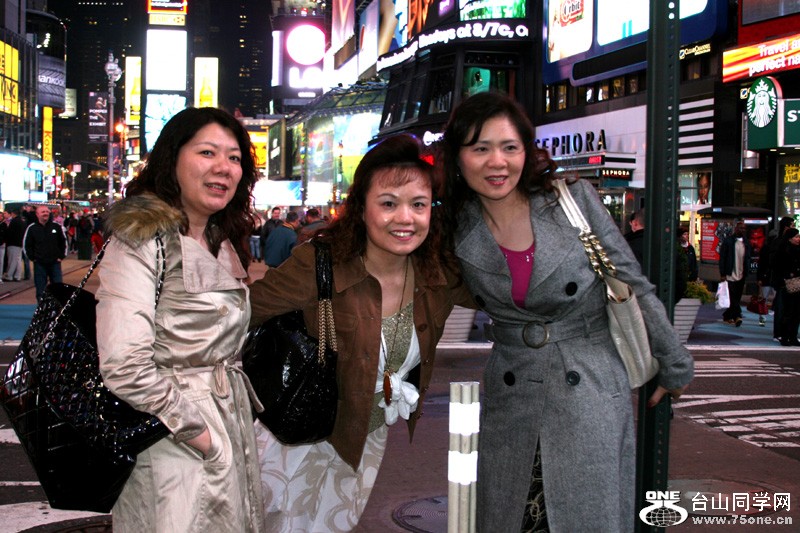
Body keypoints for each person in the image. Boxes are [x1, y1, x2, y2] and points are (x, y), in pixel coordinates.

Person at [439, 91, 693, 532]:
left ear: (527, 151)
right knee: (512, 516)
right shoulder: (454, 225)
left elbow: (629, 280)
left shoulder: (570, 199)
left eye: (510, 147)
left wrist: (674, 363)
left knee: (584, 515)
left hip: (588, 384)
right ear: (458, 158)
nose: (497, 162)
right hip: (511, 395)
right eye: (480, 148)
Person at [248, 134, 473, 532]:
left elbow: (513, 295)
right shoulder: (321, 262)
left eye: (418, 205)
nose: (405, 218)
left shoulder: (438, 274)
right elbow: (240, 314)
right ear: (362, 208)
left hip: (362, 445)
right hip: (292, 441)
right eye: (388, 203)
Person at [95, 107, 265, 532]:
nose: (223, 167)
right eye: (207, 152)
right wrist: (199, 433)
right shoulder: (142, 237)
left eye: (234, 158)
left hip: (226, 422)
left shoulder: (218, 238)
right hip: (171, 435)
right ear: (172, 159)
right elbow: (124, 364)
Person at [23, 205, 66, 302]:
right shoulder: (32, 228)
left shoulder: (56, 227)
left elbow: (63, 242)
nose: (45, 214)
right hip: (39, 264)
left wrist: (61, 256)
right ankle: (42, 308)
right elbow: (27, 245)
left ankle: (57, 309)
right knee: (40, 289)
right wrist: (33, 258)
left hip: (55, 263)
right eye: (43, 212)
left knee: (58, 288)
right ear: (37, 214)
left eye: (47, 212)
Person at [766, 216, 795, 339]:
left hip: (791, 280)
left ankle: (787, 332)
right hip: (782, 280)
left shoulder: (786, 243)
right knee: (781, 306)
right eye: (792, 226)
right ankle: (779, 332)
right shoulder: (779, 242)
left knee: (789, 307)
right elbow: (773, 261)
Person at [718, 221, 752, 327]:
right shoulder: (728, 241)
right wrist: (723, 273)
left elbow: (748, 257)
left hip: (741, 273)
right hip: (730, 274)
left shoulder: (746, 242)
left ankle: (727, 315)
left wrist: (747, 270)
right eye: (740, 228)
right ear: (736, 229)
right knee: (733, 296)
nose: (742, 230)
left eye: (744, 228)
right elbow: (723, 258)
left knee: (737, 296)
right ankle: (737, 316)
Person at [775, 227, 800, 346]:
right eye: (796, 237)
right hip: (789, 282)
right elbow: (778, 266)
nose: (798, 239)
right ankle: (785, 336)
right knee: (789, 310)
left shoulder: (797, 249)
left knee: (796, 311)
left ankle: (793, 336)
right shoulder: (784, 250)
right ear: (790, 239)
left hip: (797, 281)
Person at [4, 208, 25, 281]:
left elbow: (10, 232)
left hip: (13, 243)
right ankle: (17, 276)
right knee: (17, 260)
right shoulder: (22, 221)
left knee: (12, 260)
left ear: (13, 213)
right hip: (19, 243)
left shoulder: (14, 221)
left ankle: (9, 276)